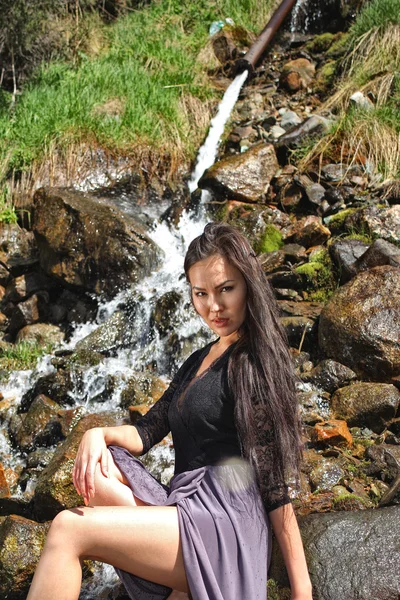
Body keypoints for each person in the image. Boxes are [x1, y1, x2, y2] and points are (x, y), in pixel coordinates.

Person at [27, 222, 313, 600]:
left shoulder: (253, 362)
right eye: (201, 293)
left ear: (248, 285)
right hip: (187, 505)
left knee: (68, 527)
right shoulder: (199, 359)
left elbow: (274, 483)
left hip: (225, 521)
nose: (214, 306)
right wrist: (96, 433)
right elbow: (147, 431)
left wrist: (302, 588)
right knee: (98, 470)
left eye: (226, 289)